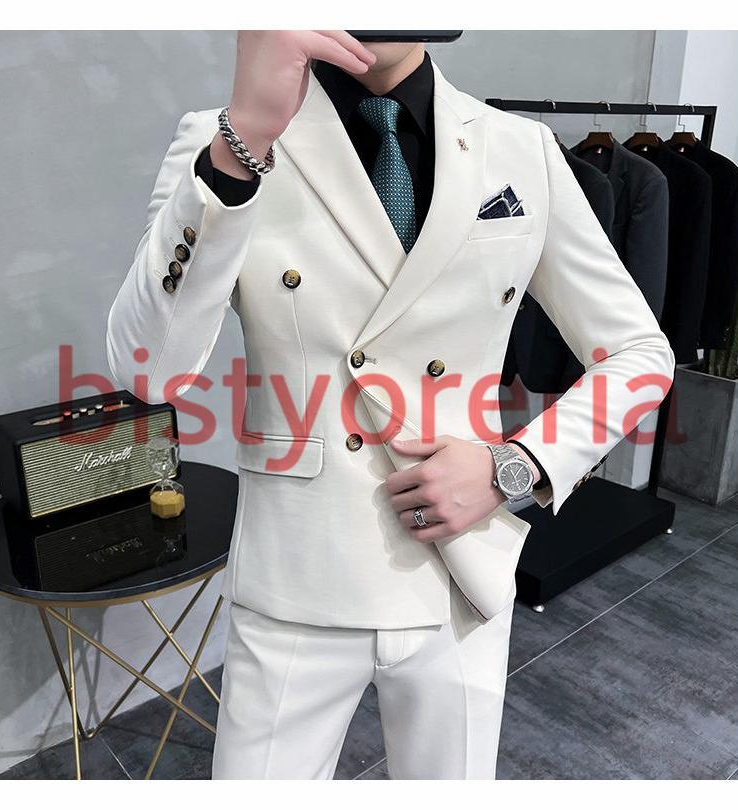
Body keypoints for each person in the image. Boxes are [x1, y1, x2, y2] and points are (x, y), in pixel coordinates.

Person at [106, 30, 675, 779]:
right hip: (297, 578)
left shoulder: (519, 149)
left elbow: (640, 352)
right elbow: (148, 372)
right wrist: (243, 140)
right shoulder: (227, 137)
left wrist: (513, 466)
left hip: (458, 569)